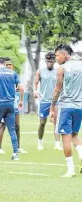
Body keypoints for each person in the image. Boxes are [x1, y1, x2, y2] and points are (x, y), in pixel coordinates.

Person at [49, 44, 82, 177]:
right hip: (79, 107)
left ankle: (70, 170)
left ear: (65, 55)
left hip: (66, 106)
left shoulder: (61, 68)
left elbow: (58, 88)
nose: (56, 58)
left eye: (57, 55)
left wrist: (52, 107)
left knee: (66, 138)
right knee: (74, 135)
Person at [0, 57, 24, 161]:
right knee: (12, 130)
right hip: (10, 104)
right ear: (4, 63)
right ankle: (15, 153)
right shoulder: (13, 73)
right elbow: (21, 87)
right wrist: (21, 100)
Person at [0, 57, 27, 154]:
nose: (8, 66)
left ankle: (17, 147)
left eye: (10, 64)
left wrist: (21, 100)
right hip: (3, 104)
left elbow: (21, 88)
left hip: (14, 104)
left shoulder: (14, 75)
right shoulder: (0, 76)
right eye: (6, 65)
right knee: (2, 126)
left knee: (17, 126)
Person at [34, 52, 63, 151]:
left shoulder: (58, 71)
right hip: (43, 101)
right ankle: (40, 142)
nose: (49, 63)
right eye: (48, 61)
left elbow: (61, 84)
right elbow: (36, 82)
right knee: (42, 122)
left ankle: (57, 143)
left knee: (56, 122)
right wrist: (35, 91)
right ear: (45, 61)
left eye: (51, 61)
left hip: (55, 101)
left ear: (54, 61)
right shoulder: (40, 71)